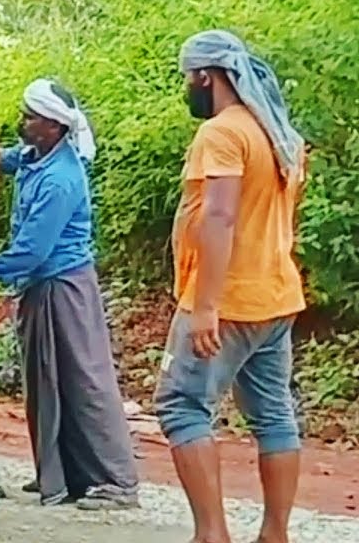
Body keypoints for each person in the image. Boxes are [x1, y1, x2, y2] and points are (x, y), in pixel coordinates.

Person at [0, 78, 140, 510]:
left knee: (84, 381)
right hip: (43, 287)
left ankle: (116, 483)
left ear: (55, 127)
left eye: (32, 118)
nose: (24, 122)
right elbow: (6, 161)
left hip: (63, 287)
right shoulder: (37, 157)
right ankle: (61, 475)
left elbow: (34, 249)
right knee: (46, 382)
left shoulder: (60, 180)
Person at [155, 30, 307, 543]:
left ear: (206, 76)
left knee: (182, 405)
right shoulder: (278, 132)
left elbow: (220, 217)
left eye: (188, 79)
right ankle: (274, 533)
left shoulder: (222, 133)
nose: (188, 89)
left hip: (229, 300)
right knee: (274, 415)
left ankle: (211, 534)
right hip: (277, 295)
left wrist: (205, 307)